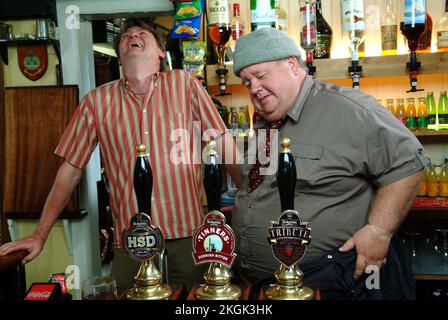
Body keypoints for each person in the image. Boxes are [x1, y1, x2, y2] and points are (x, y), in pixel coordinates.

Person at [0, 19, 240, 293]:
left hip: (188, 236)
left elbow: (222, 141)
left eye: (141, 34)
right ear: (120, 54)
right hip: (132, 241)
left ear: (161, 52)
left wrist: (247, 200)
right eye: (126, 35)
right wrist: (39, 235)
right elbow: (70, 169)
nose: (133, 36)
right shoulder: (95, 102)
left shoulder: (185, 85)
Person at [230, 28, 428, 299]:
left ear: (291, 65)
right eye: (246, 82)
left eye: (261, 76)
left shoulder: (348, 108)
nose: (254, 88)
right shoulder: (266, 120)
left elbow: (409, 162)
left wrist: (379, 231)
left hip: (334, 281)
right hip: (266, 286)